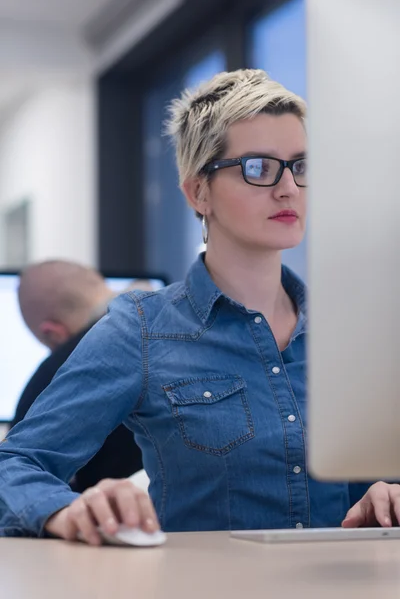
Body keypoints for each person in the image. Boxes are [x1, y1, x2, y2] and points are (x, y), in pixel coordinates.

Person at [0, 69, 398, 545]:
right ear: (198, 192)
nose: (288, 188)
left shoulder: (350, 331)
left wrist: (388, 492)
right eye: (258, 167)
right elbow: (15, 464)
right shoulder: (142, 330)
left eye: (301, 166)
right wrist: (69, 512)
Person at [10, 260, 144, 491]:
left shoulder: (54, 373)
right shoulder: (193, 326)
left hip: (126, 522)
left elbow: (17, 479)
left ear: (53, 333)